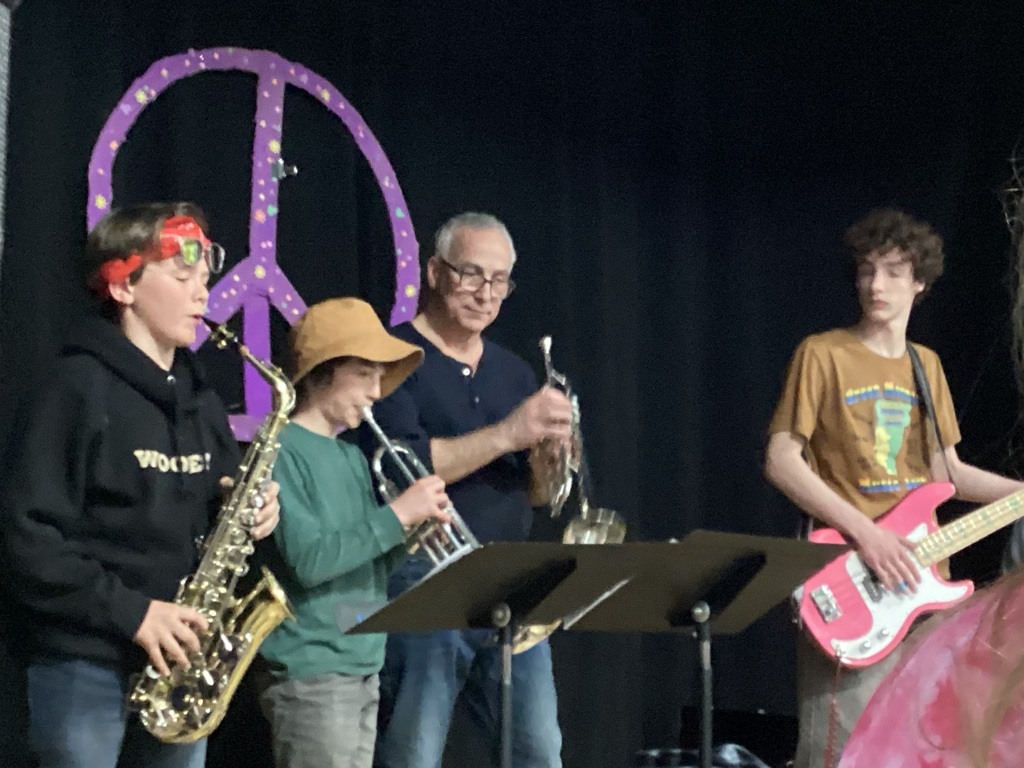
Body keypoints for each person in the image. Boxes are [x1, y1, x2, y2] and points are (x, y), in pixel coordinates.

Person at [0, 202, 280, 768]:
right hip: (85, 660)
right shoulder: (72, 388)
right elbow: (26, 538)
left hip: (178, 668)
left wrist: (251, 510)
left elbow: (220, 505)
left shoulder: (199, 400)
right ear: (124, 286)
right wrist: (134, 612)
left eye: (204, 278)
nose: (203, 294)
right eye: (182, 276)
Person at [763, 208, 1024, 768]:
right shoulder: (823, 353)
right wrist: (866, 536)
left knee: (923, 746)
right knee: (841, 751)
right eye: (865, 270)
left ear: (920, 283)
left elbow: (946, 476)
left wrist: (1019, 494)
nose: (875, 285)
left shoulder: (925, 366)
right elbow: (782, 461)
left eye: (892, 272)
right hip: (852, 577)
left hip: (924, 583)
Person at [364, 212, 573, 768]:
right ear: (434, 271)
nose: (486, 294)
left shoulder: (512, 371)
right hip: (422, 574)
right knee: (415, 750)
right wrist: (509, 433)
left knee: (539, 751)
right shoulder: (391, 357)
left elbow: (534, 495)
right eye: (471, 274)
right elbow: (402, 469)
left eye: (500, 280)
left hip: (507, 577)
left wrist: (552, 462)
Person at [254, 297, 453, 768]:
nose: (377, 391)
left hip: (364, 661)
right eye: (364, 374)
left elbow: (366, 563)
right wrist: (397, 515)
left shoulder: (349, 456)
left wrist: (410, 538)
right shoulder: (281, 449)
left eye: (380, 376)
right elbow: (309, 561)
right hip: (312, 669)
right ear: (324, 371)